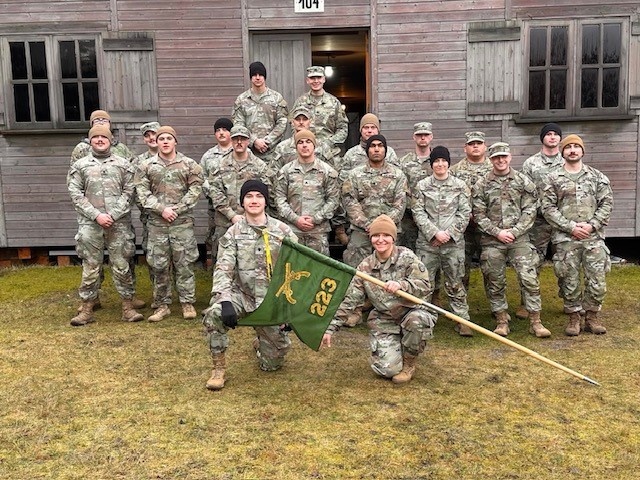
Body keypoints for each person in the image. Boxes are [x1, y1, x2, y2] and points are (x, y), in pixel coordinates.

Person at [202, 180, 298, 390]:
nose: (254, 201)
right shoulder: (233, 233)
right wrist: (224, 300)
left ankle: (263, 341)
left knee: (272, 364)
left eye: (259, 196)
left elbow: (296, 271)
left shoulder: (283, 232)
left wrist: (291, 310)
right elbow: (223, 268)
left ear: (265, 201)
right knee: (214, 314)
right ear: (242, 202)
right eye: (249, 197)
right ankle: (218, 369)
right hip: (243, 296)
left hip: (272, 301)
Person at [321, 214, 436, 384]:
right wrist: (330, 328)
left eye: (386, 236)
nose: (380, 240)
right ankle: (396, 347)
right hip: (385, 318)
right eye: (376, 236)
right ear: (371, 238)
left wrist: (401, 285)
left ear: (393, 238)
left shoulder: (407, 257)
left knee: (416, 321)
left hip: (411, 312)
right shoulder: (365, 267)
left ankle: (409, 363)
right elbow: (350, 300)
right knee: (386, 370)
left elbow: (425, 285)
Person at [67, 125, 143, 326]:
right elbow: (75, 194)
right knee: (91, 266)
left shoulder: (124, 165)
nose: (100, 140)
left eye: (104, 137)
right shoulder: (80, 166)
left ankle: (128, 307)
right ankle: (86, 309)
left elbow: (130, 192)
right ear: (90, 140)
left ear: (111, 140)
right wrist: (96, 216)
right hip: (90, 225)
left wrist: (113, 214)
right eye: (96, 137)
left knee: (121, 265)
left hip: (118, 225)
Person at [472, 142, 550, 338]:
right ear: (491, 159)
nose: (500, 160)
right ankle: (501, 320)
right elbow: (478, 214)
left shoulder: (523, 181)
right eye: (496, 157)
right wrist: (497, 232)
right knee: (494, 279)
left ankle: (535, 321)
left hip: (519, 239)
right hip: (492, 240)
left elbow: (530, 209)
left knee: (529, 277)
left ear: (510, 157)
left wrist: (515, 231)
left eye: (504, 156)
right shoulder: (482, 184)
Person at [541, 134, 613, 336]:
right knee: (568, 279)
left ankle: (591, 317)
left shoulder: (597, 177)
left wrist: (592, 225)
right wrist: (570, 227)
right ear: (562, 152)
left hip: (593, 238)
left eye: (576, 147)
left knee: (597, 280)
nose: (572, 150)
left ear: (582, 151)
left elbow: (606, 203)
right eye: (568, 147)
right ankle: (574, 317)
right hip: (566, 239)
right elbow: (547, 207)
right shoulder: (553, 178)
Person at [134, 126, 204, 322]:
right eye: (161, 138)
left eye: (168, 138)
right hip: (157, 223)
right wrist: (161, 209)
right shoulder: (146, 166)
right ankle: (162, 305)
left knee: (185, 264)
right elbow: (142, 193)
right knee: (159, 265)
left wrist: (177, 209)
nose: (164, 141)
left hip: (181, 223)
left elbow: (195, 191)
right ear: (156, 142)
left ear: (175, 142)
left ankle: (187, 303)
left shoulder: (189, 165)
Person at [412, 146, 473, 336]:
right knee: (424, 283)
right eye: (436, 161)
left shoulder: (460, 186)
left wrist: (448, 234)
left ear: (448, 163)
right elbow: (418, 212)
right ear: (431, 164)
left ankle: (462, 319)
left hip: (453, 244)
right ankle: (422, 318)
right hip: (427, 243)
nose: (440, 164)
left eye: (443, 161)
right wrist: (434, 233)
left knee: (455, 282)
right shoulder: (422, 186)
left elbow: (464, 213)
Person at [516, 123, 564, 319]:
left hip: (563, 222)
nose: (552, 137)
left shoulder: (567, 161)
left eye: (555, 134)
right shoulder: (530, 164)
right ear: (542, 138)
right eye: (548, 134)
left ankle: (570, 302)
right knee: (532, 263)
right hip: (539, 222)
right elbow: (525, 192)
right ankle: (526, 303)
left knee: (565, 263)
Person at [342, 134, 407, 268]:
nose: (376, 149)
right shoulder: (354, 175)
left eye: (380, 146)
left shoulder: (398, 175)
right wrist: (368, 225)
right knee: (355, 270)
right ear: (367, 151)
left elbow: (400, 204)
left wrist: (382, 226)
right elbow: (350, 202)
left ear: (385, 150)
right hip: (362, 231)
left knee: (392, 271)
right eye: (372, 146)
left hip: (389, 232)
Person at [206, 125, 273, 256]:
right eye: (236, 139)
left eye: (243, 139)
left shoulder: (260, 166)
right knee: (223, 259)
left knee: (252, 260)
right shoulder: (219, 166)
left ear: (248, 141)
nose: (239, 142)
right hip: (225, 222)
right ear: (231, 140)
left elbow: (268, 192)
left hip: (254, 222)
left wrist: (252, 215)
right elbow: (215, 193)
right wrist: (232, 216)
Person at [274, 129, 340, 255]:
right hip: (292, 230)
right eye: (300, 142)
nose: (304, 145)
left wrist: (316, 219)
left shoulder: (327, 172)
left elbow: (333, 200)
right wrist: (295, 219)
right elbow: (279, 199)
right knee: (293, 271)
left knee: (319, 271)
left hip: (318, 232)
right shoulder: (285, 171)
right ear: (296, 146)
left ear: (314, 145)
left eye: (308, 141)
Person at [450, 131, 493, 290]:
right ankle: (460, 304)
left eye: (479, 143)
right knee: (461, 266)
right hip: (463, 228)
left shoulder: (494, 169)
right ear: (465, 148)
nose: (475, 146)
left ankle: (496, 308)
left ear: (485, 147)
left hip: (488, 228)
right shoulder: (454, 171)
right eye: (471, 144)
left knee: (491, 268)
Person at [232, 61, 288, 165]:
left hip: (272, 153)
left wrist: (268, 142)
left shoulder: (276, 98)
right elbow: (238, 125)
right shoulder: (241, 100)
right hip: (248, 153)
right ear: (250, 77)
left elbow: (282, 122)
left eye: (260, 74)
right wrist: (254, 141)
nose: (257, 78)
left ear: (265, 77)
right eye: (254, 75)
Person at [291, 66, 348, 167]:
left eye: (319, 78)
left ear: (324, 79)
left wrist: (329, 143)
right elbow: (293, 126)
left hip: (329, 154)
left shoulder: (334, 103)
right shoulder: (300, 102)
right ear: (307, 80)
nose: (316, 81)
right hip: (305, 153)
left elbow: (343, 128)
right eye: (312, 78)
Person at [201, 117, 234, 264]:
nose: (221, 133)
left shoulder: (240, 151)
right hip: (215, 209)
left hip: (238, 207)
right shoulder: (208, 156)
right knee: (216, 240)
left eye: (225, 130)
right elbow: (202, 179)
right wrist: (214, 195)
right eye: (218, 130)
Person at [396, 122, 434, 250]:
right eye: (419, 135)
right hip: (409, 218)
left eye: (426, 135)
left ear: (431, 137)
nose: (423, 138)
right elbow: (400, 189)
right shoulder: (404, 162)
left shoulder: (438, 161)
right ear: (414, 137)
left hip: (433, 217)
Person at [271, 105, 334, 170]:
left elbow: (331, 173)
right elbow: (274, 173)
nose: (301, 122)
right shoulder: (282, 147)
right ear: (292, 122)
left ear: (310, 121)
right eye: (297, 119)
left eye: (305, 119)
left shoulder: (322, 147)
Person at [340, 113, 398, 181]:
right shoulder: (351, 154)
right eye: (366, 127)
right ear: (361, 130)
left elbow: (397, 175)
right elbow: (343, 179)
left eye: (373, 127)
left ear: (378, 130)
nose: (369, 131)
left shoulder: (389, 152)